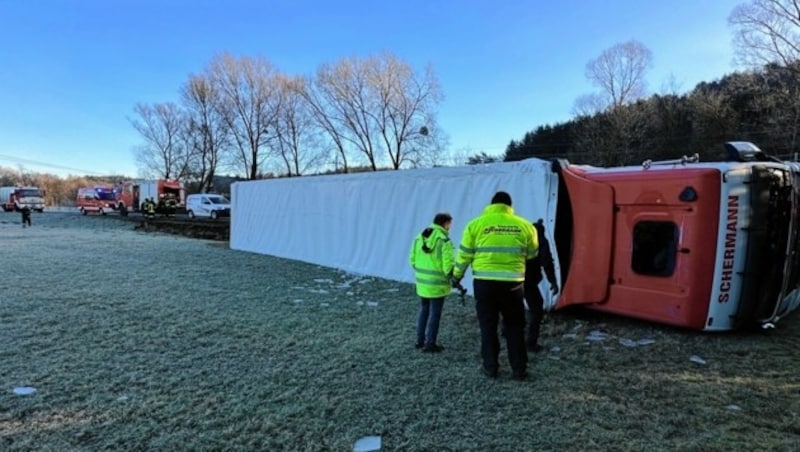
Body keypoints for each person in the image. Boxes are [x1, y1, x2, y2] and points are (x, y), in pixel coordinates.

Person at [452, 191, 538, 380]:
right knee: (515, 327)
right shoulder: (525, 226)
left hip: (484, 284)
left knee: (488, 326)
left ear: (491, 205)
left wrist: (456, 276)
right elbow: (532, 254)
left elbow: (464, 255)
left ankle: (490, 368)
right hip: (513, 285)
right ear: (510, 206)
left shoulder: (475, 225)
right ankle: (519, 370)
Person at [409, 213, 455, 353]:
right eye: (449, 224)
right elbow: (448, 265)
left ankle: (419, 340)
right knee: (435, 314)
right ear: (445, 223)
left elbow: (412, 259)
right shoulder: (444, 240)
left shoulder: (420, 237)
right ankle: (430, 344)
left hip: (422, 283)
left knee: (424, 310)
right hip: (437, 284)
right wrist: (452, 277)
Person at [524, 219, 559, 352]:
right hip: (528, 280)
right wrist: (553, 282)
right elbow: (547, 262)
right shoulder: (541, 241)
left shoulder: (522, 239)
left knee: (511, 305)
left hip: (513, 278)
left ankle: (506, 330)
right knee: (537, 309)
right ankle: (531, 343)